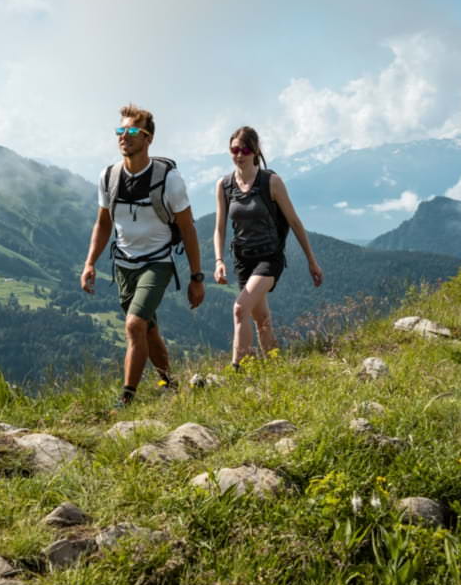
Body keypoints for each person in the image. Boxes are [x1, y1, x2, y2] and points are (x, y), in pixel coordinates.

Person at [81, 104, 205, 405]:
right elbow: (103, 222)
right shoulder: (109, 177)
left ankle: (127, 398)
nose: (124, 136)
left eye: (132, 131)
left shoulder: (169, 180)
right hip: (123, 264)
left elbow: (188, 229)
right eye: (120, 131)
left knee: (134, 324)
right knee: (148, 330)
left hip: (157, 262)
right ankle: (168, 382)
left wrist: (196, 277)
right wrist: (90, 263)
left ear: (148, 138)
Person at [213, 125, 323, 369]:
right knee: (261, 319)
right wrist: (219, 260)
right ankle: (274, 368)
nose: (239, 154)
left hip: (269, 257)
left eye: (244, 149)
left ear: (255, 151)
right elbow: (219, 227)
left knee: (240, 308)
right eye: (234, 149)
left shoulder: (271, 182)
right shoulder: (224, 185)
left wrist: (311, 261)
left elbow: (294, 222)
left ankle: (238, 369)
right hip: (243, 259)